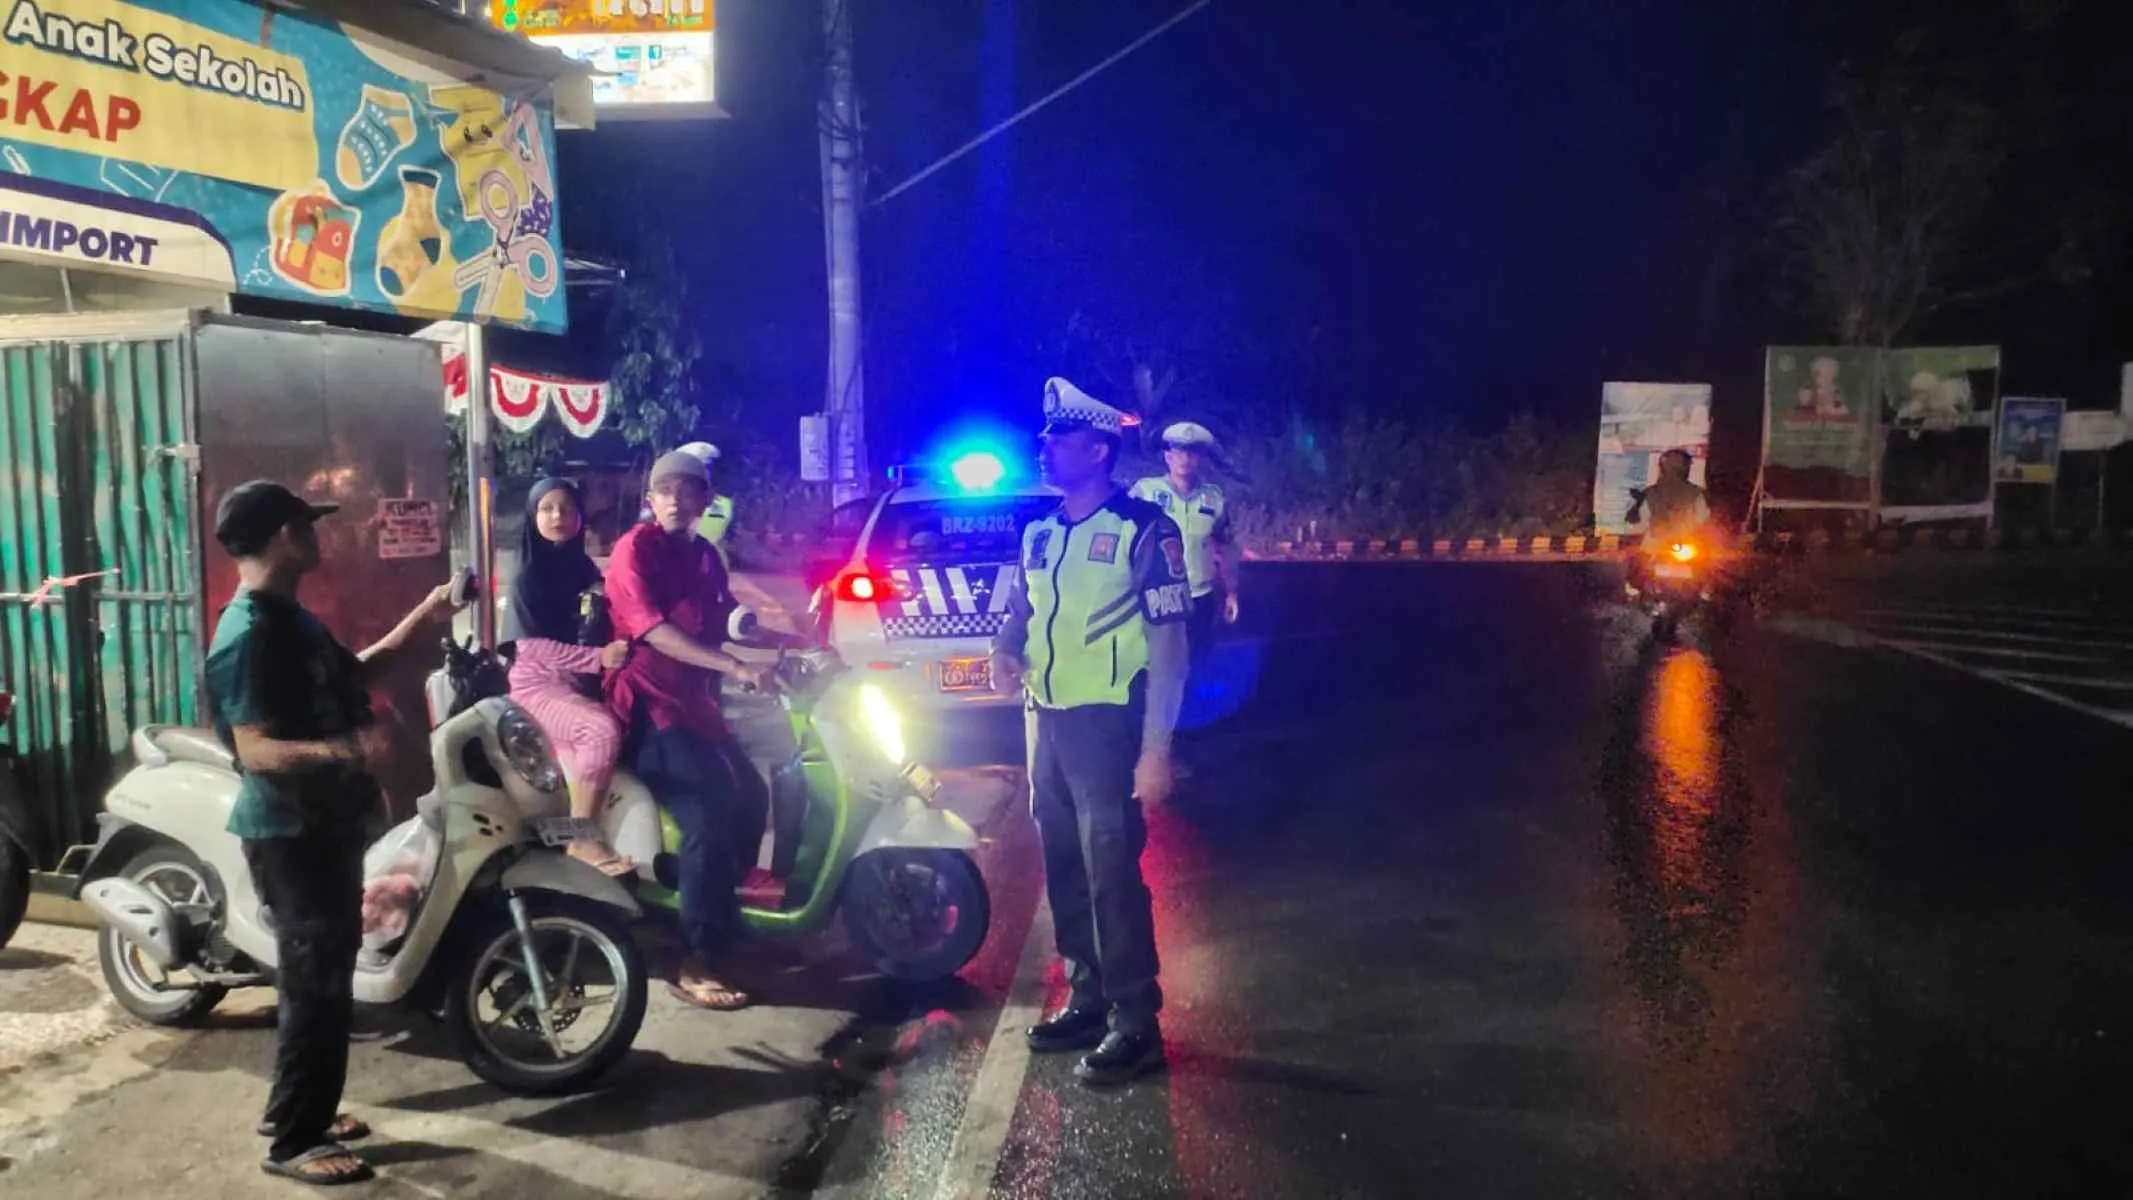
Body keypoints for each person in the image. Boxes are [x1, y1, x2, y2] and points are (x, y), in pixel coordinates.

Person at [203, 480, 458, 1186]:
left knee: (319, 979)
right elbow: (255, 749)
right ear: (283, 535)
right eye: (306, 526)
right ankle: (295, 1140)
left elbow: (359, 671)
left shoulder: (290, 618)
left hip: (325, 825)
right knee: (315, 982)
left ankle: (300, 1109)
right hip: (291, 832)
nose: (316, 537)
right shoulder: (248, 635)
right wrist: (348, 750)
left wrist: (426, 616)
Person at [991, 377, 1192, 1087]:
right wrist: (1003, 651)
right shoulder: (1040, 533)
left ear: (1099, 449)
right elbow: (1020, 611)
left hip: (1107, 725)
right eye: (1045, 437)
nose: (1043, 448)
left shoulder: (1145, 529)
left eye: (1059, 438)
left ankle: (1135, 1023)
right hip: (1046, 721)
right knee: (1064, 866)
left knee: (1111, 873)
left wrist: (1156, 748)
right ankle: (1088, 997)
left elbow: (1170, 646)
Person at [603, 449, 774, 1012]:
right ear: (650, 500)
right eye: (665, 490)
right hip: (649, 708)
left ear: (706, 500)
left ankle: (720, 912)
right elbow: (653, 632)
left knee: (752, 796)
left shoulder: (705, 555)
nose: (675, 500)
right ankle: (693, 959)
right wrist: (735, 667)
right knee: (705, 818)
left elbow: (725, 619)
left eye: (687, 490)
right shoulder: (634, 550)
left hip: (695, 705)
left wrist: (794, 642)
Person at [504, 478, 634, 876]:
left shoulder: (584, 569)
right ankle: (581, 840)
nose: (557, 516)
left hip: (574, 683)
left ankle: (568, 842)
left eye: (566, 508)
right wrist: (599, 658)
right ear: (533, 516)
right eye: (547, 509)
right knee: (599, 730)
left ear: (580, 516)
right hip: (535, 684)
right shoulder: (527, 577)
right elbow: (531, 648)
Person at [1129, 421, 1240, 673]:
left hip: (1201, 597)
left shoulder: (1213, 498)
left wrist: (1232, 592)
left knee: (1198, 664)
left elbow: (1225, 546)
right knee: (1155, 667)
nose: (1185, 459)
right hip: (1158, 598)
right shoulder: (1146, 492)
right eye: (1179, 452)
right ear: (1167, 456)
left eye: (1192, 453)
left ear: (1200, 459)